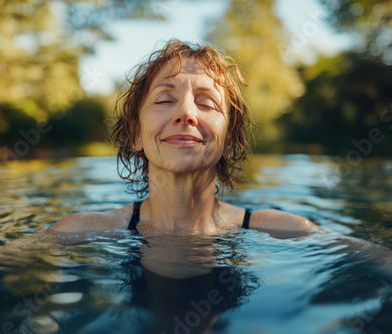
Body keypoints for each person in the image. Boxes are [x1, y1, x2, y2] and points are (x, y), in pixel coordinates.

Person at [49, 38, 321, 236]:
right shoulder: (79, 231)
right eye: (165, 100)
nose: (186, 113)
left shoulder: (288, 230)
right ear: (136, 134)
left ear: (228, 141)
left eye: (207, 103)